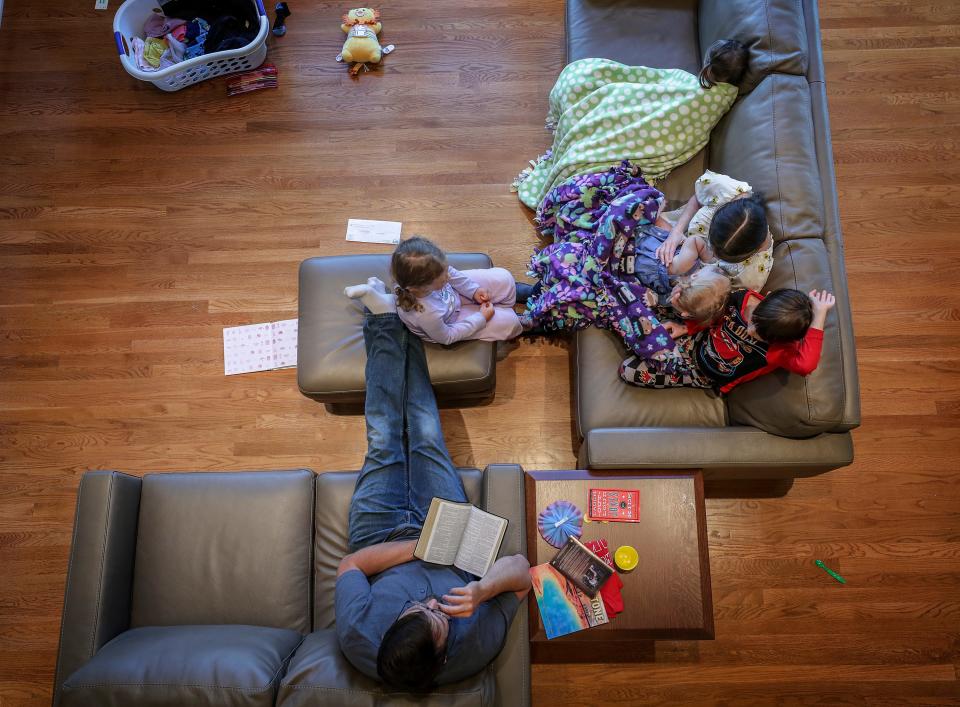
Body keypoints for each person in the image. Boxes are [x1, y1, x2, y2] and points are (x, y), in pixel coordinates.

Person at [334, 281, 531, 691]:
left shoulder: (359, 639)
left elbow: (350, 566)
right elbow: (523, 575)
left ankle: (388, 316)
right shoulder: (473, 647)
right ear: (444, 653)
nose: (430, 603)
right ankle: (402, 315)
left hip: (379, 532)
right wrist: (482, 590)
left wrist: (417, 547)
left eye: (414, 609)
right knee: (425, 433)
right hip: (447, 536)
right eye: (436, 615)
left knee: (386, 436)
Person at [620, 288, 835, 392]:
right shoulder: (741, 297)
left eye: (759, 335)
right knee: (639, 321)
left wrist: (819, 315)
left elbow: (806, 364)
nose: (751, 331)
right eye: (753, 320)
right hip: (696, 340)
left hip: (699, 374)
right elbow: (713, 315)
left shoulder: (780, 350)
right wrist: (686, 327)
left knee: (628, 370)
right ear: (766, 296)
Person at [347, 236, 525, 346]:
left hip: (451, 299)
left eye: (445, 270)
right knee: (509, 322)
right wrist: (480, 318)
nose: (447, 276)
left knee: (502, 278)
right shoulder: (426, 314)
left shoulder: (429, 275)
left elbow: (452, 275)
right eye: (442, 278)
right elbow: (447, 337)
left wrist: (473, 290)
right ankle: (529, 322)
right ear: (422, 286)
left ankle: (522, 293)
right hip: (449, 321)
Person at [655, 170, 774, 291]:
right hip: (676, 231)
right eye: (712, 245)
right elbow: (698, 198)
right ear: (720, 210)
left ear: (750, 253)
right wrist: (676, 232)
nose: (711, 253)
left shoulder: (750, 277)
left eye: (721, 256)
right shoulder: (726, 190)